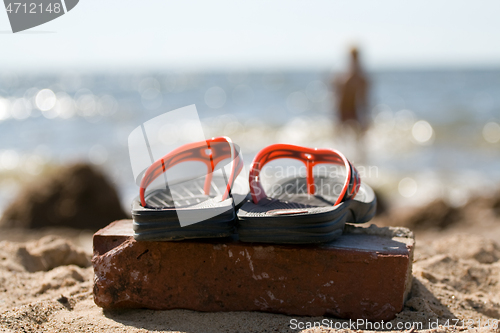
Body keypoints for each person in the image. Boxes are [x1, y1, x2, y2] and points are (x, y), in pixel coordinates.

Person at [332, 47, 370, 160]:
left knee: (358, 140)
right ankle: (344, 159)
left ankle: (358, 161)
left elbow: (364, 99)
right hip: (344, 110)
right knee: (342, 139)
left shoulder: (358, 78)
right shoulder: (347, 77)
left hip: (352, 110)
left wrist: (365, 115)